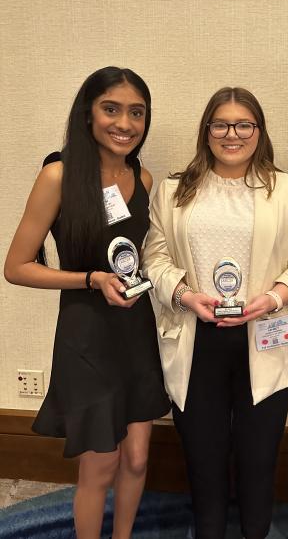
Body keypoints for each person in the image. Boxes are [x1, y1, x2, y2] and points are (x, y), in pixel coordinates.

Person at [142, 86, 288, 539]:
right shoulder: (173, 190)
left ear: (259, 131)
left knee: (259, 458)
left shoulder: (286, 190)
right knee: (203, 458)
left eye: (244, 124)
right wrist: (184, 295)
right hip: (196, 337)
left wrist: (274, 297)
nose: (232, 134)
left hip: (265, 333)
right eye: (221, 124)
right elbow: (154, 259)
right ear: (206, 131)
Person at [4, 67, 171, 539]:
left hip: (135, 328)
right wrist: (91, 279)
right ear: (88, 114)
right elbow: (16, 267)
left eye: (136, 112)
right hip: (86, 333)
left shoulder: (144, 177)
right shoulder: (58, 175)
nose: (125, 123)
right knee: (101, 463)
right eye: (111, 109)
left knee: (138, 457)